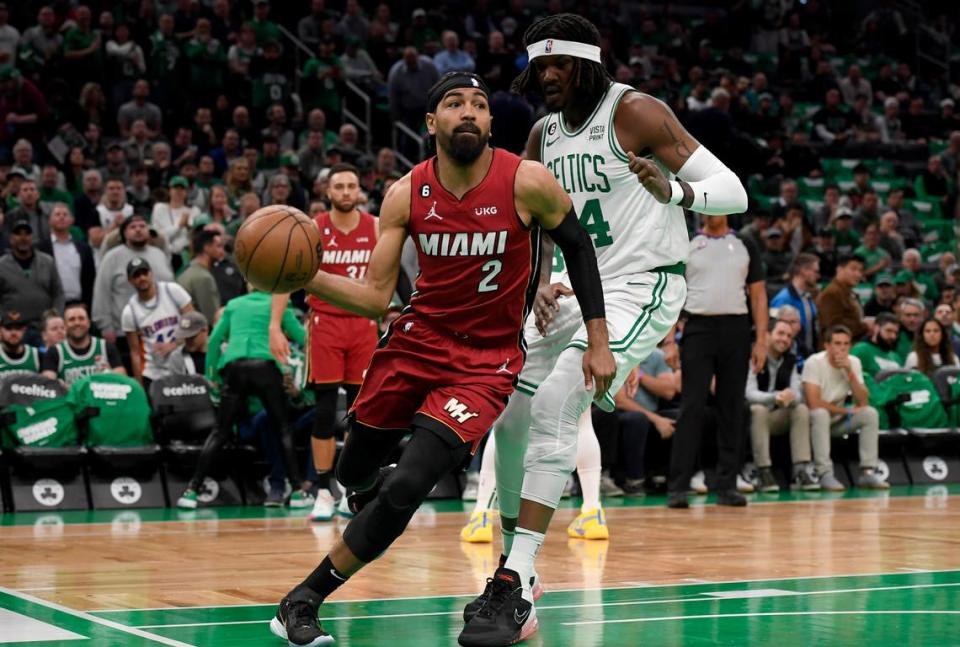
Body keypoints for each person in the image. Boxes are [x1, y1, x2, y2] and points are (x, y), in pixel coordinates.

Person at [266, 70, 615, 647]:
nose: (469, 112)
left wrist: (599, 340)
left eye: (479, 104)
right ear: (432, 123)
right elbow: (378, 296)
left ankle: (302, 598)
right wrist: (308, 276)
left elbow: (577, 247)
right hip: (414, 343)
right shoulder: (405, 192)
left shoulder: (527, 181)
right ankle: (362, 489)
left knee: (408, 486)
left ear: (490, 122)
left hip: (485, 363)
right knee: (355, 474)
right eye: (455, 103)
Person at [463, 15, 745, 645]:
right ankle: (518, 573)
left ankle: (516, 574)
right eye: (539, 69)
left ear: (587, 64)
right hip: (574, 291)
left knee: (563, 398)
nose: (547, 78)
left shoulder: (636, 113)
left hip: (643, 283)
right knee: (506, 407)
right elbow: (530, 224)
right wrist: (537, 280)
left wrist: (676, 190)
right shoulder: (541, 134)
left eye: (558, 66)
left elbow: (733, 192)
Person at [270, 163, 380, 523]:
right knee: (324, 409)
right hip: (326, 323)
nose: (346, 192)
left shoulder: (376, 227)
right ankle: (321, 490)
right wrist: (275, 325)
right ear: (327, 192)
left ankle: (352, 489)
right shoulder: (311, 230)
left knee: (360, 414)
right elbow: (287, 275)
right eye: (339, 186)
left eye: (352, 186)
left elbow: (393, 272)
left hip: (364, 324)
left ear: (359, 191)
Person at [179, 287, 312, 511]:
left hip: (235, 366)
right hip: (266, 366)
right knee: (283, 429)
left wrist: (212, 376)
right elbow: (303, 338)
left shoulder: (234, 305)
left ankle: (191, 491)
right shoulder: (279, 306)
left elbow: (213, 342)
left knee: (220, 431)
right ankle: (298, 492)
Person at [668, 211, 764, 510]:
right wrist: (670, 339)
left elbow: (758, 295)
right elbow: (673, 291)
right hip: (698, 328)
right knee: (691, 407)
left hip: (736, 328)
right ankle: (679, 486)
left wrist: (760, 339)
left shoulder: (745, 242)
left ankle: (727, 485)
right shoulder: (688, 243)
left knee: (732, 408)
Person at [802, 325, 889, 491]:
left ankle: (868, 472)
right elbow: (813, 402)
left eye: (846, 344)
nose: (842, 348)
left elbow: (863, 401)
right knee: (820, 414)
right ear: (827, 346)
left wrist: (850, 372)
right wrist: (846, 411)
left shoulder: (854, 362)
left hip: (837, 422)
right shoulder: (814, 362)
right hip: (814, 423)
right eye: (837, 343)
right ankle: (824, 473)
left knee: (870, 414)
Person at [746, 319, 818, 492]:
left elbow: (798, 393)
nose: (785, 339)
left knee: (800, 408)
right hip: (748, 419)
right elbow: (749, 393)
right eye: (780, 333)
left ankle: (800, 470)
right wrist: (776, 397)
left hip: (775, 418)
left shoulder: (790, 361)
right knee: (758, 409)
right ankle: (763, 471)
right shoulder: (751, 357)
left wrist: (790, 397)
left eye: (789, 336)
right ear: (766, 335)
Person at [121, 258, 193, 391]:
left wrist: (174, 344)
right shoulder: (129, 312)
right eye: (136, 275)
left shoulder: (172, 290)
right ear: (130, 281)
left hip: (184, 363)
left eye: (144, 273)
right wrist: (140, 387)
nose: (142, 278)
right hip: (154, 373)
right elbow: (135, 352)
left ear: (151, 273)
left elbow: (193, 324)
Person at [0, 216, 64, 340]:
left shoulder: (47, 261)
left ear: (33, 238)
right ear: (11, 239)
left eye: (27, 234)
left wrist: (56, 318)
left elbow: (58, 293)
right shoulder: (1, 265)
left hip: (44, 329)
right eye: (18, 234)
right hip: (13, 329)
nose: (23, 238)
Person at [41, 302, 125, 386]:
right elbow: (47, 385)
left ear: (88, 323)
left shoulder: (106, 347)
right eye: (72, 319)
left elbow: (123, 380)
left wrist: (110, 375)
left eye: (81, 318)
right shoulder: (54, 352)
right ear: (65, 326)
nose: (77, 323)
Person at [37, 204, 96, 309]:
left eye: (65, 214)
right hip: (51, 306)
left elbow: (90, 278)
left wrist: (86, 303)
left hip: (78, 305)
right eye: (57, 214)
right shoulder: (41, 248)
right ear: (49, 220)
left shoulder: (84, 248)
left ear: (72, 220)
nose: (61, 217)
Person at [770, 253, 820, 359]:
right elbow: (772, 330)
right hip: (790, 359)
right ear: (803, 270)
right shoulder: (783, 299)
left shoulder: (807, 297)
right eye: (815, 271)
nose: (818, 276)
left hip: (808, 357)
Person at [816, 254, 868, 341]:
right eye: (853, 269)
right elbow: (834, 327)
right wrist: (865, 326)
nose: (858, 274)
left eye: (860, 271)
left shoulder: (849, 293)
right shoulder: (832, 293)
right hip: (837, 349)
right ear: (839, 269)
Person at [177, 228, 224, 323]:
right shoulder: (203, 277)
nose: (222, 251)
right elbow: (213, 319)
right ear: (207, 248)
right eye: (218, 246)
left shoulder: (188, 271)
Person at [851, 312, 903, 379]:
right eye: (889, 331)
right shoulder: (861, 350)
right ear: (876, 328)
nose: (893, 336)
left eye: (896, 333)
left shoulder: (896, 357)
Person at [0, 311, 41, 378]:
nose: (13, 333)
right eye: (8, 328)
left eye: (17, 328)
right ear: (0, 331)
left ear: (24, 330)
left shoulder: (37, 356)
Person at [175, 310, 209, 375]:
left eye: (192, 337)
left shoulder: (221, 350)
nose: (188, 341)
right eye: (185, 337)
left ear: (205, 331)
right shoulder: (177, 357)